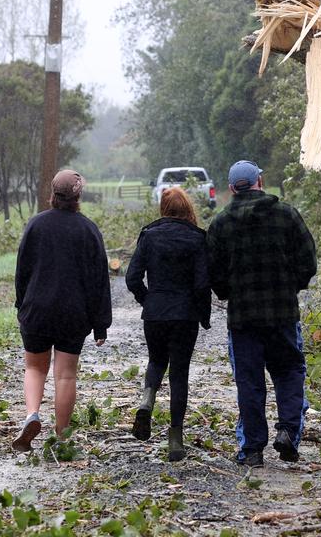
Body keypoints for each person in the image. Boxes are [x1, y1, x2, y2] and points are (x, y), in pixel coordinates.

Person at [207, 160, 316, 468]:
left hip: (243, 319)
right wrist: (289, 286)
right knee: (290, 373)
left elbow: (213, 273)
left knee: (250, 381)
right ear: (261, 181)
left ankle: (253, 449)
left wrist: (229, 292)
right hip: (282, 313)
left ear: (231, 189)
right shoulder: (287, 215)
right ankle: (288, 432)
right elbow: (308, 262)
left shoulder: (221, 223)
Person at [11, 169, 111, 452]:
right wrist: (101, 323)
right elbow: (98, 281)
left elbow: (23, 271)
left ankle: (32, 414)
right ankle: (62, 434)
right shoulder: (88, 229)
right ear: (78, 196)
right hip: (73, 313)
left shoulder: (36, 225)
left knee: (34, 367)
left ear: (52, 194)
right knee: (65, 374)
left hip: (37, 309)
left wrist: (22, 305)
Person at [125, 187, 211, 461]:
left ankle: (147, 400)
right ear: (188, 208)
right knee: (179, 374)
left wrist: (147, 300)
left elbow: (132, 278)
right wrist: (203, 315)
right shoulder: (197, 239)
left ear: (163, 208)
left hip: (155, 313)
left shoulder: (149, 236)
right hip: (185, 315)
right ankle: (175, 439)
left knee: (156, 360)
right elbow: (201, 284)